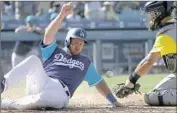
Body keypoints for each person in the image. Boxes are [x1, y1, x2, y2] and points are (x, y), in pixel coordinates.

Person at [0, 2, 122, 110]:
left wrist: (114, 101)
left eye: (81, 43)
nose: (78, 46)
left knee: (44, 98)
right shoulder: (54, 51)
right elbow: (48, 35)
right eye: (75, 42)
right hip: (42, 82)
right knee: (33, 60)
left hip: (60, 92)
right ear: (68, 42)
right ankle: (2, 85)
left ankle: (7, 104)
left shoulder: (85, 62)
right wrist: (62, 14)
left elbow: (99, 82)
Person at [114, 1, 177, 106]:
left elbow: (148, 62)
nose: (149, 18)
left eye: (151, 14)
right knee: (154, 94)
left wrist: (131, 81)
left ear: (158, 13)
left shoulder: (166, 34)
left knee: (151, 97)